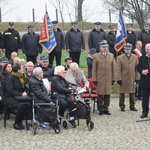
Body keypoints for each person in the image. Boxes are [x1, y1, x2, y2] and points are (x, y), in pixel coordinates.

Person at [4, 63, 30, 130]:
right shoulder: (10, 78)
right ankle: (16, 123)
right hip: (10, 98)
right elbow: (10, 91)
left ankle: (20, 121)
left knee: (28, 104)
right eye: (22, 68)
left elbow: (24, 87)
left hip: (19, 97)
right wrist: (21, 94)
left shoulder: (22, 77)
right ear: (18, 70)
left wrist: (25, 91)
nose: (23, 69)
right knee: (21, 106)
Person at [92, 40, 115, 115]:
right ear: (100, 48)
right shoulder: (96, 56)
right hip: (100, 78)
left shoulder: (111, 55)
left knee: (107, 94)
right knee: (100, 94)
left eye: (106, 47)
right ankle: (100, 109)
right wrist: (94, 79)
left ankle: (106, 108)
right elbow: (94, 69)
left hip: (108, 78)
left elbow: (113, 68)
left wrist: (113, 78)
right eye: (103, 47)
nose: (105, 48)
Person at [116, 43, 140, 111]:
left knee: (132, 92)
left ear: (131, 49)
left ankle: (132, 106)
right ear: (124, 49)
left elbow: (137, 69)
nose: (128, 50)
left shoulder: (135, 57)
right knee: (122, 92)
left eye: (129, 49)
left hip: (132, 77)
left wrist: (137, 78)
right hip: (123, 77)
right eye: (126, 49)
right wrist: (118, 78)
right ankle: (122, 106)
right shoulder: (120, 58)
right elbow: (118, 69)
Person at [137, 43, 150, 118]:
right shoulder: (142, 58)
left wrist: (148, 71)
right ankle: (145, 112)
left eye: (147, 49)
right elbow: (138, 67)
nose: (146, 51)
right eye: (145, 49)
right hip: (145, 82)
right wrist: (142, 71)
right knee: (145, 99)